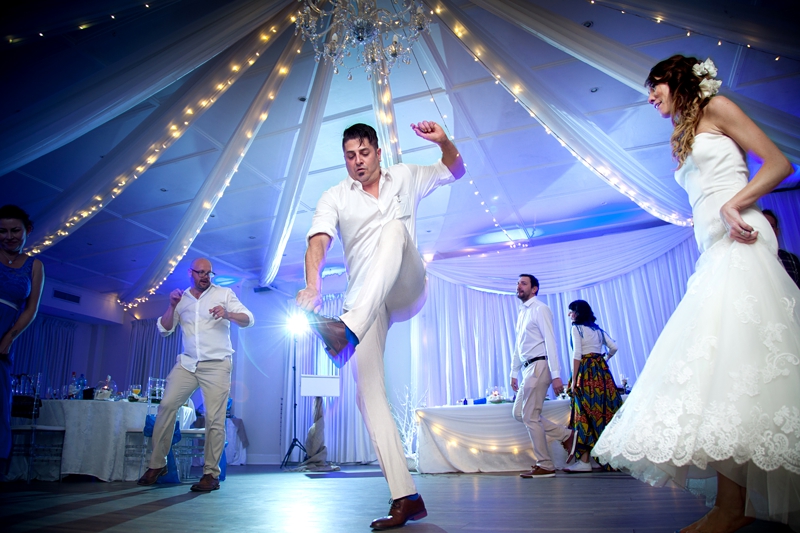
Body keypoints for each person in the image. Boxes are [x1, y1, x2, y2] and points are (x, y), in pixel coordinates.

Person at [592, 55, 799, 533]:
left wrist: (734, 204)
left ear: (675, 78)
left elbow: (780, 162)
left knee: (738, 369)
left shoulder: (718, 108)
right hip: (715, 249)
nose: (650, 97)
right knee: (732, 374)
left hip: (740, 239)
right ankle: (733, 505)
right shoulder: (681, 133)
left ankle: (731, 508)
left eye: (654, 86)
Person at [296, 121, 465, 529]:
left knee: (393, 227)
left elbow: (455, 169)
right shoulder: (334, 196)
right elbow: (317, 240)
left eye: (364, 153)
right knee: (367, 395)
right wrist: (312, 285)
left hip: (407, 285)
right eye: (350, 156)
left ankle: (345, 330)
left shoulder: (405, 175)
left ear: (377, 152)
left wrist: (443, 141)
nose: (357, 162)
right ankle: (406, 497)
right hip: (365, 305)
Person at [137, 258, 254, 492]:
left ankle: (210, 474)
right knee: (167, 405)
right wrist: (171, 306)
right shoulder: (182, 300)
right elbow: (165, 329)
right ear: (191, 273)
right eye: (200, 272)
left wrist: (228, 313)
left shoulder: (224, 293)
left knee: (215, 419)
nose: (205, 277)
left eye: (209, 273)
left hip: (217, 364)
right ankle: (158, 464)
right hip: (188, 364)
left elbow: (248, 319)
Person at [510, 274, 573, 479]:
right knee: (519, 413)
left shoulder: (541, 309)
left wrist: (556, 375)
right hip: (528, 367)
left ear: (534, 289)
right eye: (518, 283)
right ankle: (566, 435)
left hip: (540, 365)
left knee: (529, 416)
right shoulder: (522, 313)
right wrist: (513, 372)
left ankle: (545, 465)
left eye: (524, 283)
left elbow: (550, 341)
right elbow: (518, 347)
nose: (519, 286)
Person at [0, 205, 44, 479]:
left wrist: (9, 336)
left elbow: (31, 308)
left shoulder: (34, 265)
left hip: (6, 331)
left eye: (15, 230)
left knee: (1, 403)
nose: (8, 236)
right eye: (2, 231)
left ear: (26, 231)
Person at [563, 300, 622, 473]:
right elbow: (614, 347)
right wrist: (605, 359)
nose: (569, 315)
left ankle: (584, 461)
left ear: (577, 313)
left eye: (571, 311)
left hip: (585, 372)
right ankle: (609, 457)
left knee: (583, 414)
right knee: (604, 412)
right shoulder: (598, 330)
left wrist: (574, 381)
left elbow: (577, 354)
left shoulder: (576, 329)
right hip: (601, 373)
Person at [762, 209, 800, 288]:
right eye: (763, 225)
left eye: (771, 226)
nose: (767, 229)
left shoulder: (791, 259)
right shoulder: (746, 258)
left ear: (776, 231)